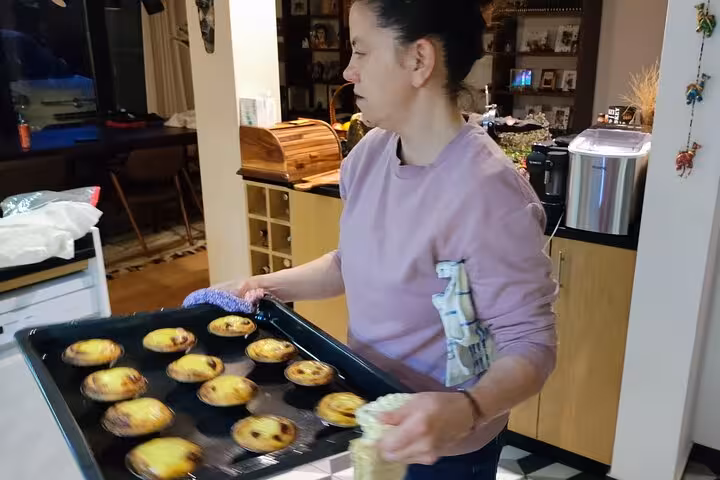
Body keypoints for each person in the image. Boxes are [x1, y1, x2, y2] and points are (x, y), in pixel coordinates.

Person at [228, 0, 557, 478]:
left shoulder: (490, 194)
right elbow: (350, 263)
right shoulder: (369, 155)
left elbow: (531, 344)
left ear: (418, 60)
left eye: (361, 52)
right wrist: (263, 285)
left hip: (441, 443)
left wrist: (467, 409)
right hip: (367, 410)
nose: (348, 70)